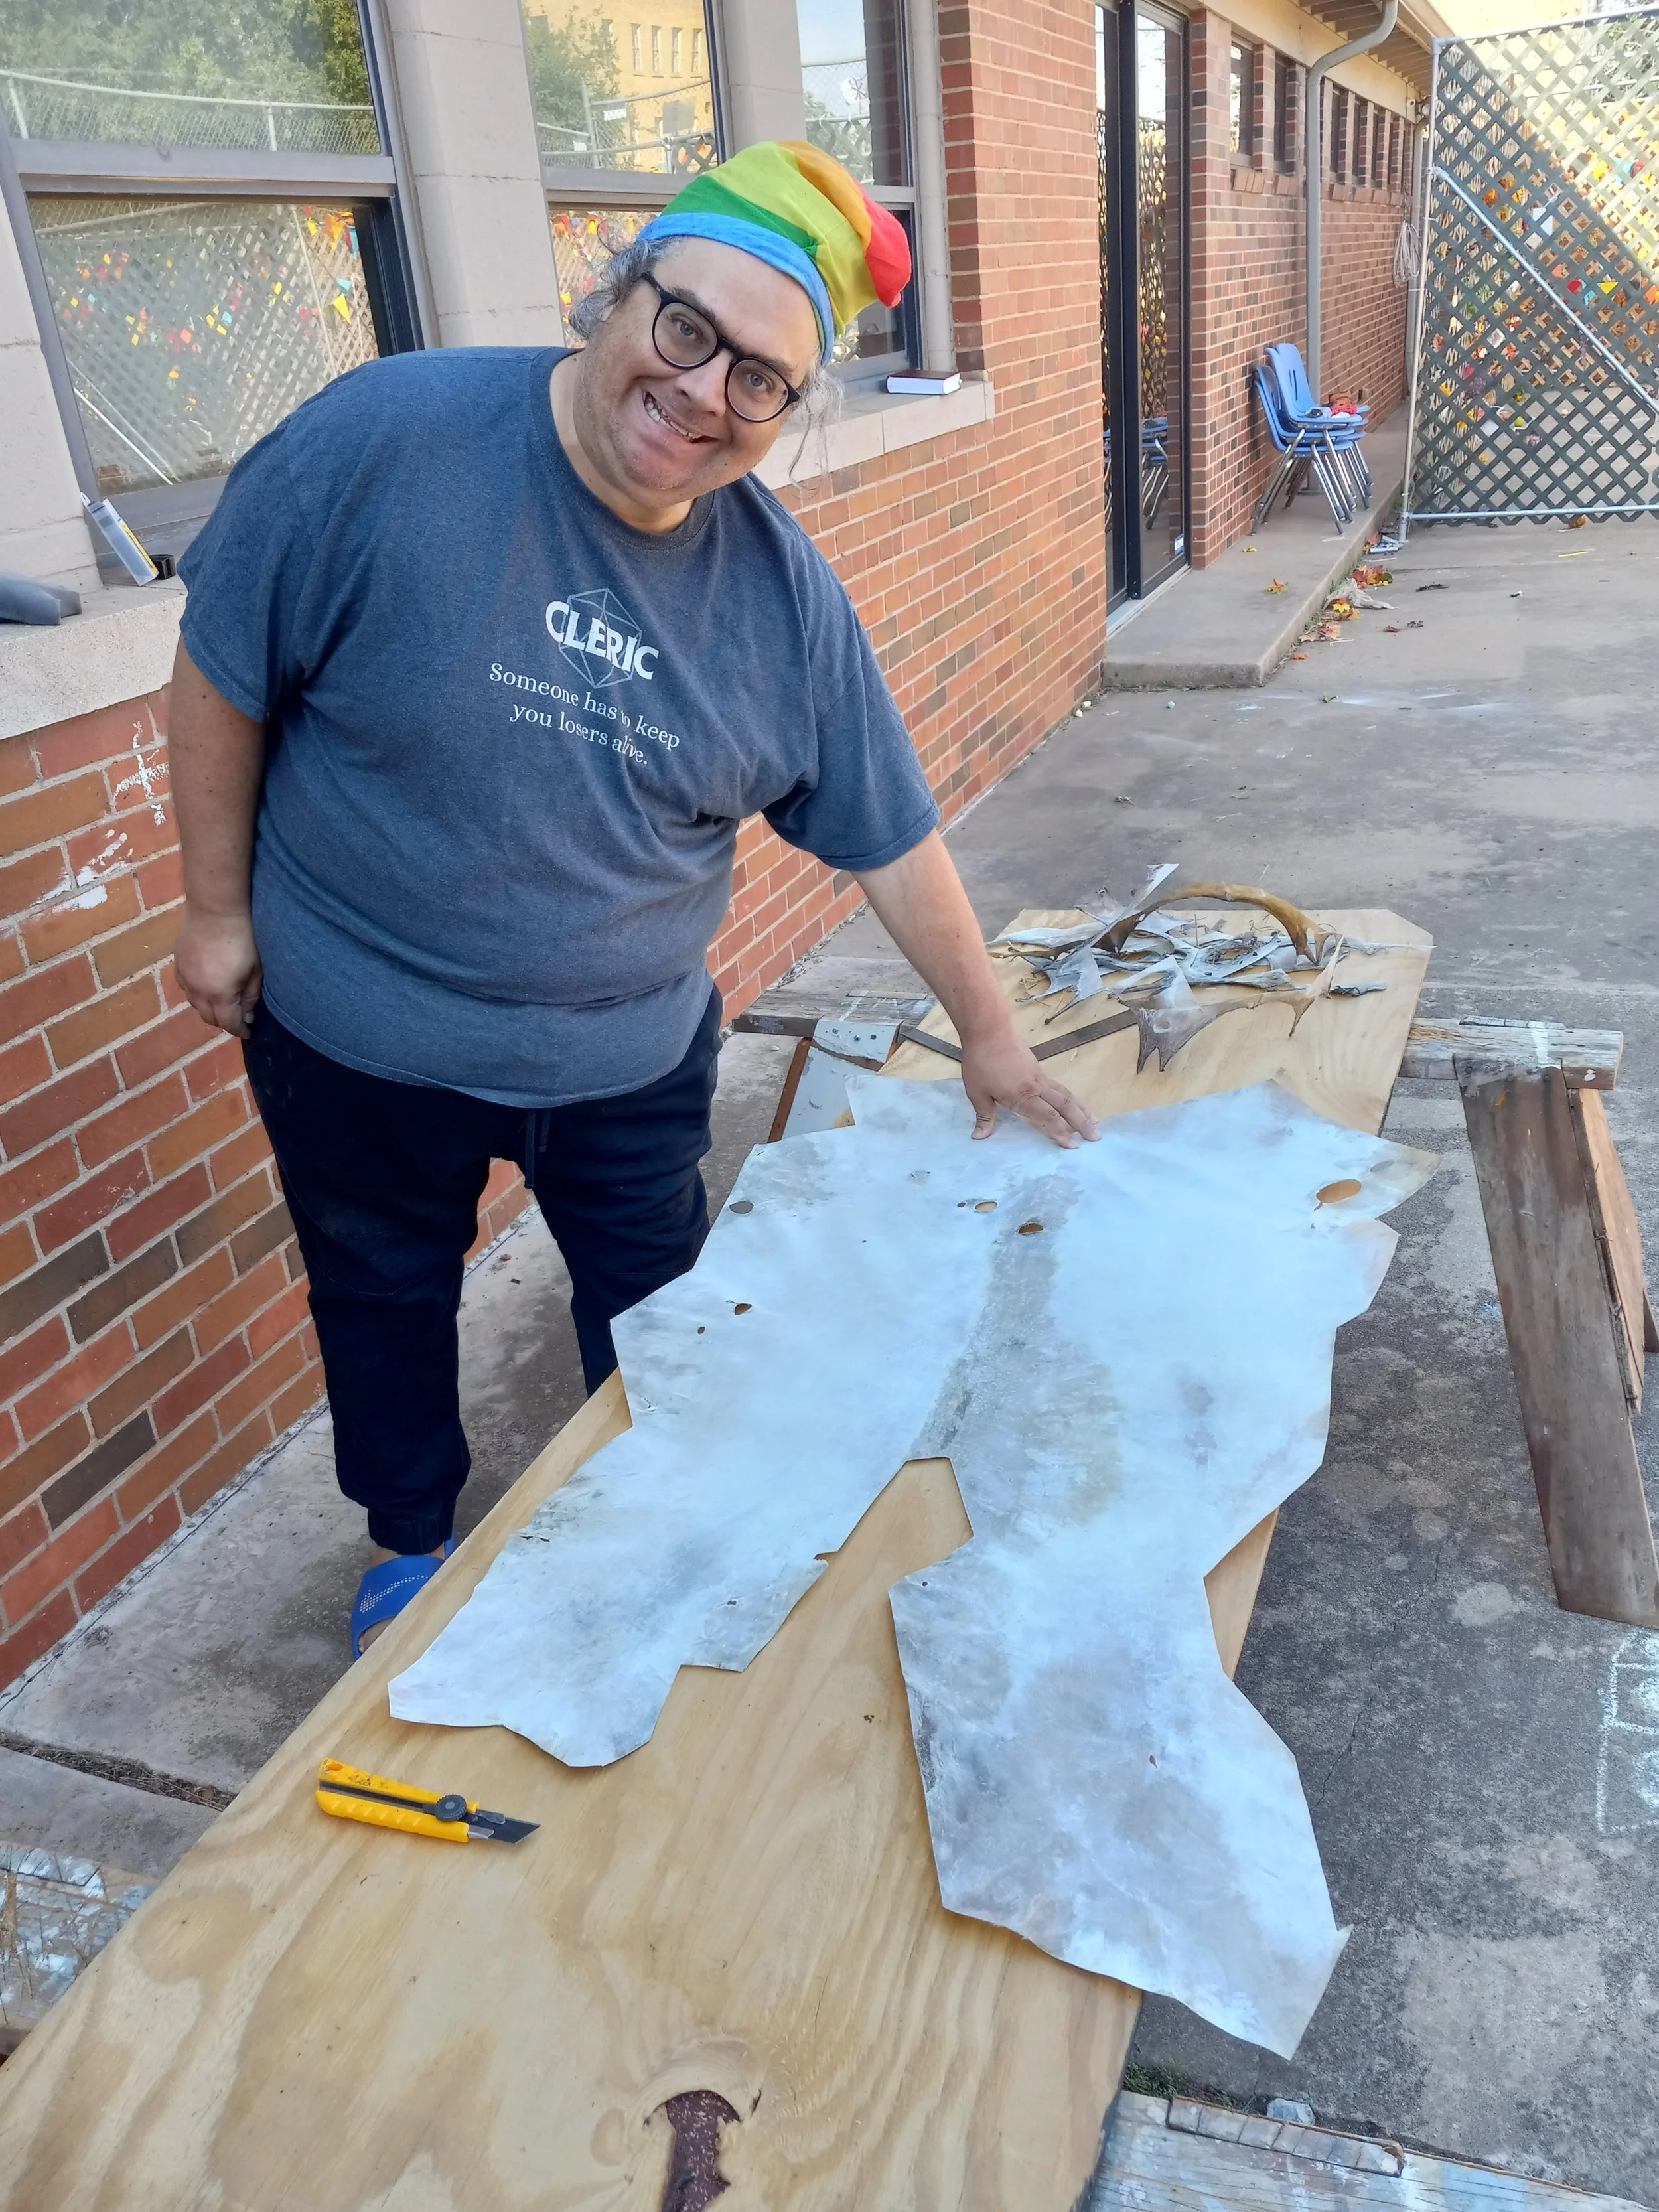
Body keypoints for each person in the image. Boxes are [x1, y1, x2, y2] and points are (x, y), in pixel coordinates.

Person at [169, 140, 1097, 1657]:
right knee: (383, 1299)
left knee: (658, 1316)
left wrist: (989, 1035)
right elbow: (219, 669)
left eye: (762, 380)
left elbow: (886, 831)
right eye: (687, 330)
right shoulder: (384, 443)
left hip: (620, 1061)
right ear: (612, 294)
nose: (705, 393)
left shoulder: (780, 602)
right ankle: (407, 1542)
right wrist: (216, 913)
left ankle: (653, 1518)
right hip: (358, 1032)